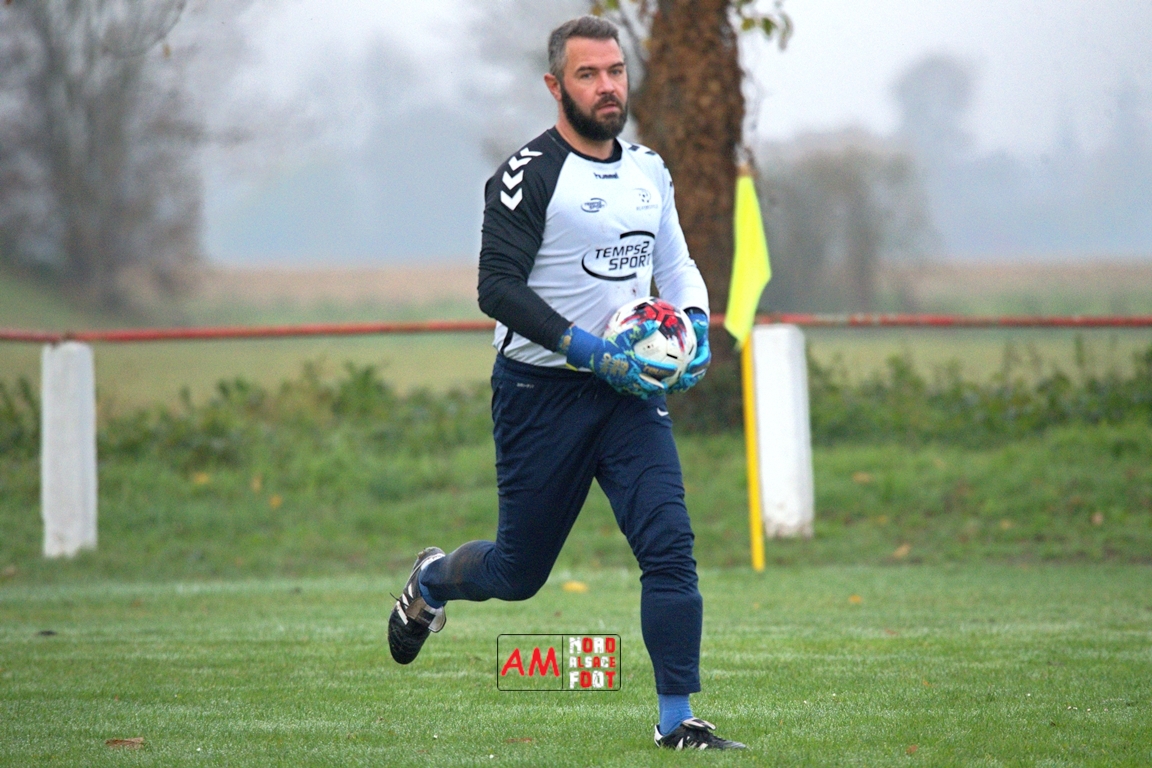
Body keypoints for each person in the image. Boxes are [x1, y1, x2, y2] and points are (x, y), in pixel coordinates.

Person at [387, 15, 745, 751]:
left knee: (670, 547)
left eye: (616, 71)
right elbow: (496, 288)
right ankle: (431, 581)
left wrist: (695, 323)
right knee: (518, 573)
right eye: (588, 74)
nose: (607, 86)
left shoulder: (648, 170)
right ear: (556, 86)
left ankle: (677, 721)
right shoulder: (527, 174)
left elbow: (675, 265)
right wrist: (585, 348)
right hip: (538, 394)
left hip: (628, 395)